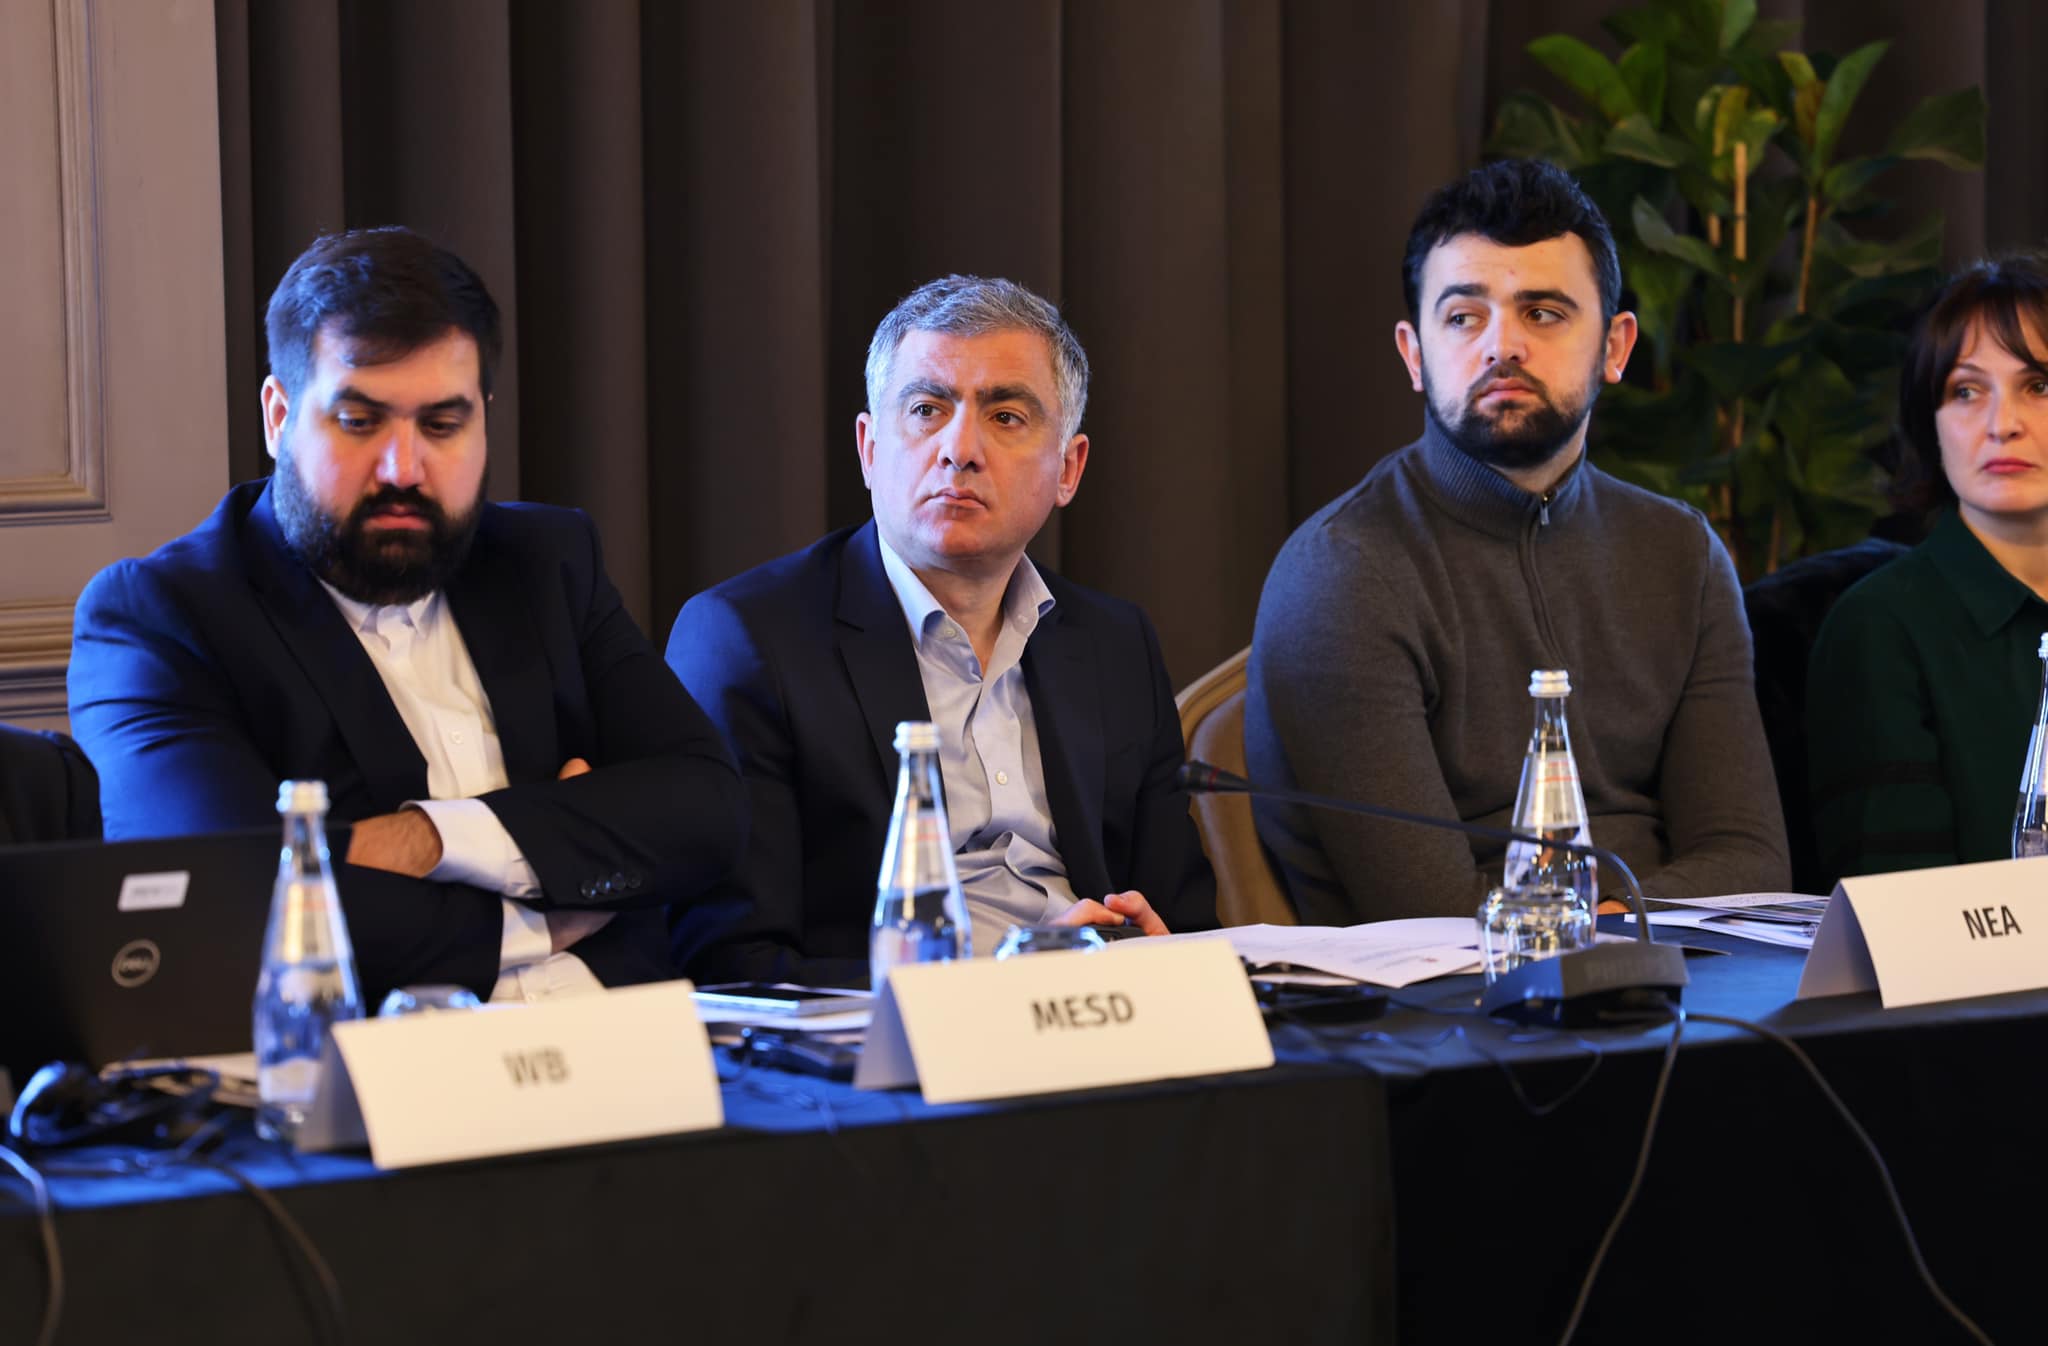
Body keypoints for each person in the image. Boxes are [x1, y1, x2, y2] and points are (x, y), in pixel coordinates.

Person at [69, 227, 745, 1005]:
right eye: (360, 422)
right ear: (279, 417)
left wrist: (429, 838)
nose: (403, 469)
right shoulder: (161, 616)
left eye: (442, 425)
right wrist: (549, 908)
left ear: (483, 420)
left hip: (632, 1048)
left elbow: (710, 812)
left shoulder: (547, 561)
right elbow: (230, 910)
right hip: (368, 1069)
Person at [1244, 159, 1790, 924]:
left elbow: (1751, 863)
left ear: (1615, 347)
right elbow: (1429, 912)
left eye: (1543, 313)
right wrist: (1631, 917)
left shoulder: (1682, 555)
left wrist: (1620, 923)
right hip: (1456, 991)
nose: (1502, 345)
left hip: (1694, 975)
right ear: (1414, 353)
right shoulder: (1342, 574)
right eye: (1464, 318)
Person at [667, 275, 1215, 987]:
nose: (960, 449)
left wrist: (1161, 953)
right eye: (927, 409)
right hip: (895, 1038)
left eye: (1006, 416)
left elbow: (1187, 919)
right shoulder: (747, 640)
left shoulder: (1114, 643)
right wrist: (1001, 983)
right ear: (869, 449)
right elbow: (731, 964)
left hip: (1107, 1018)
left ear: (1068, 468)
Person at [1808, 256, 2048, 877]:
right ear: (1930, 426)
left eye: (2038, 386)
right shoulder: (1879, 629)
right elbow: (1903, 915)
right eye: (1966, 391)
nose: (2003, 424)